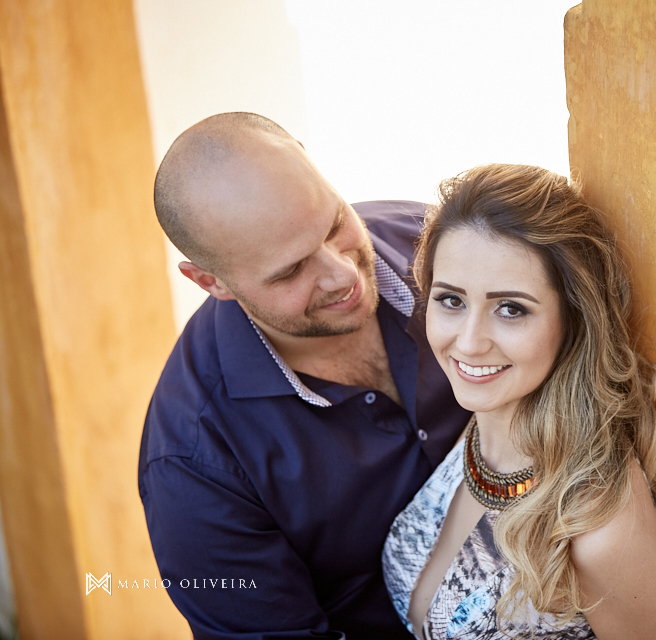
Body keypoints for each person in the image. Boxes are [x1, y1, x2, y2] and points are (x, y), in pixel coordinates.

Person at [138, 112, 470, 639]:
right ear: (210, 281)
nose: (343, 274)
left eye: (334, 225)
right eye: (291, 271)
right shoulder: (193, 465)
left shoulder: (439, 245)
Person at [382, 164, 656, 639]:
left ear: (572, 318)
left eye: (511, 309)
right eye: (451, 300)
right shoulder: (481, 418)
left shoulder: (596, 524)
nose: (469, 343)